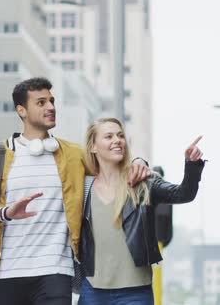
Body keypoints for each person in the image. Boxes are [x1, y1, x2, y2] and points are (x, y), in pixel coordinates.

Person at [0, 77, 150, 305]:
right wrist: (3, 213)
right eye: (41, 102)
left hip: (56, 272)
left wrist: (139, 160)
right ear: (22, 111)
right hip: (7, 273)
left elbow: (113, 164)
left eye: (52, 101)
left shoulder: (73, 155)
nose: (51, 107)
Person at [77, 118, 205, 304]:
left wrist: (192, 165)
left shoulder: (143, 182)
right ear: (93, 147)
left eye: (120, 135)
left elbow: (183, 194)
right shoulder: (83, 187)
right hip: (93, 291)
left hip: (135, 293)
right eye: (109, 136)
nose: (117, 140)